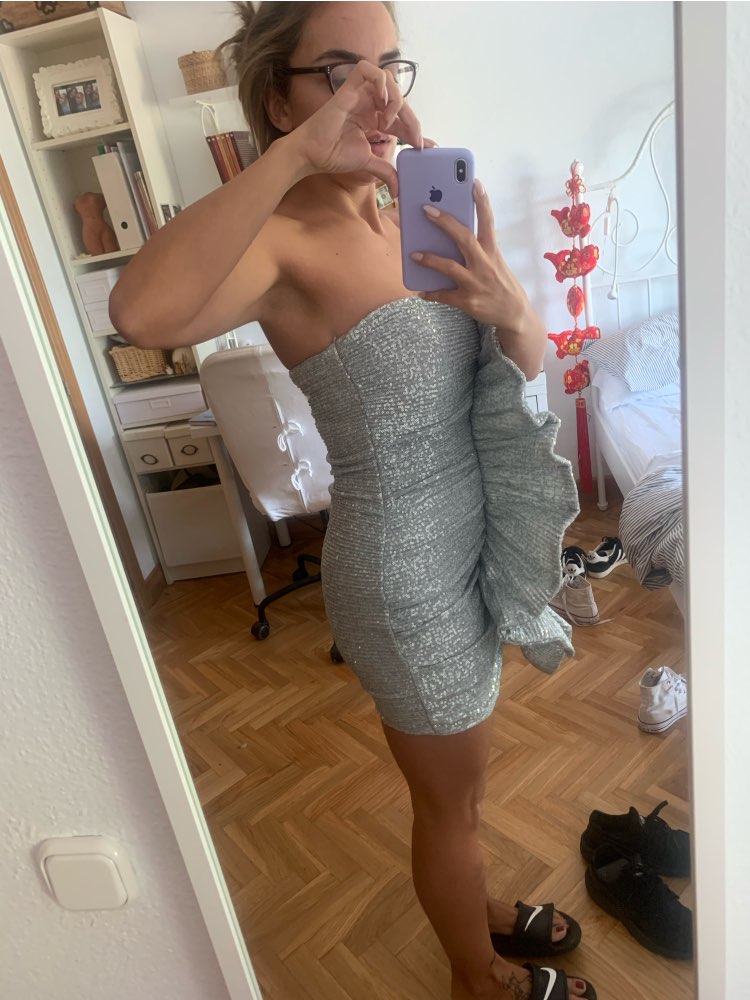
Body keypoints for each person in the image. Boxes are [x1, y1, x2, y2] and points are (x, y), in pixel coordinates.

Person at [109, 4, 588, 998]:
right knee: (446, 803)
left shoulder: (417, 211)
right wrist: (291, 160)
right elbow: (140, 312)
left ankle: (478, 907)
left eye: (388, 66)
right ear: (279, 100)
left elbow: (518, 366)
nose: (377, 94)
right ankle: (476, 976)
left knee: (465, 786)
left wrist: (510, 308)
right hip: (402, 579)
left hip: (468, 543)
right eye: (339, 71)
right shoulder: (280, 240)